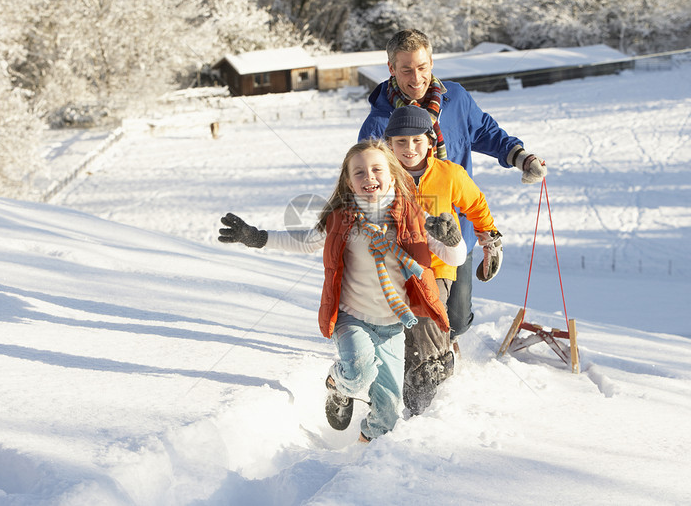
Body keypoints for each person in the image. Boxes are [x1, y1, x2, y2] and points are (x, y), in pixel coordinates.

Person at [217, 139, 466, 442]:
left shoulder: (416, 216)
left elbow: (455, 259)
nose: (369, 177)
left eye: (377, 169)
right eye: (359, 172)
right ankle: (339, 384)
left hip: (392, 326)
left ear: (392, 173)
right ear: (349, 181)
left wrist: (453, 239)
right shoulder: (340, 219)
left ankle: (364, 461)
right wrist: (257, 237)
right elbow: (305, 241)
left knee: (387, 414)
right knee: (359, 371)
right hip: (352, 318)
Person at [359, 28, 548, 342]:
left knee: (456, 320)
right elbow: (365, 181)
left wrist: (521, 157)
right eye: (406, 69)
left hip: (455, 231)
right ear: (391, 69)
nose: (416, 77)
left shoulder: (456, 99)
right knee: (411, 314)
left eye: (422, 67)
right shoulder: (379, 124)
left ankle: (447, 341)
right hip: (405, 236)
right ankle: (420, 364)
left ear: (432, 62)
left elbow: (487, 133)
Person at [383, 104, 501, 415]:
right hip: (396, 265)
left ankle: (435, 373)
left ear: (430, 142)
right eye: (401, 142)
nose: (410, 149)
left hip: (438, 264)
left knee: (425, 309)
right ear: (389, 144)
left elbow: (476, 204)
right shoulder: (384, 177)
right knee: (405, 332)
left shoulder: (450, 175)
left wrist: (490, 237)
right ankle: (409, 400)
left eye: (417, 141)